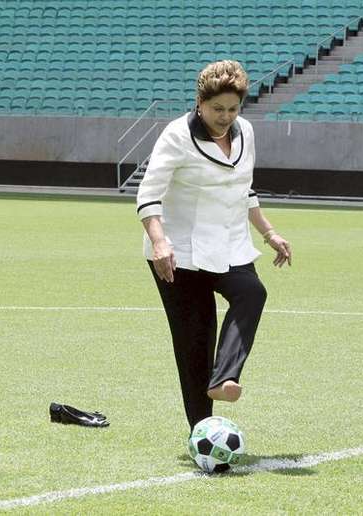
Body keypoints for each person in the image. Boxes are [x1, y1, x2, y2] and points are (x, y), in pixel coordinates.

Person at [136, 60, 292, 431]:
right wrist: (159, 242)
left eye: (233, 109)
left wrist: (270, 233)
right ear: (200, 103)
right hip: (179, 253)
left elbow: (244, 190)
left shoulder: (245, 132)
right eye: (217, 109)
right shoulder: (176, 135)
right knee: (195, 344)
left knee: (252, 292)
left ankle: (224, 379)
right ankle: (202, 434)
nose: (225, 117)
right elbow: (148, 194)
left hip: (230, 244)